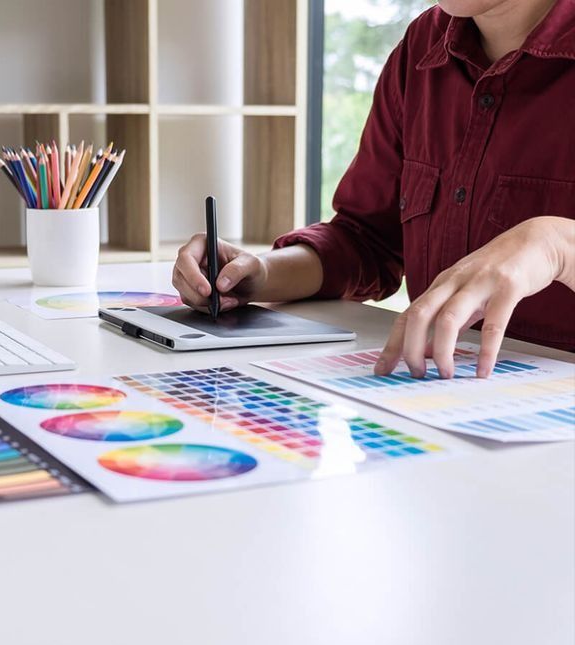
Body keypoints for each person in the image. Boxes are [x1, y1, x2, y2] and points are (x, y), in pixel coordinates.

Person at [172, 0, 575, 379]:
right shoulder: (421, 48)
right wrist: (258, 274)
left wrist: (555, 244)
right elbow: (367, 240)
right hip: (442, 391)